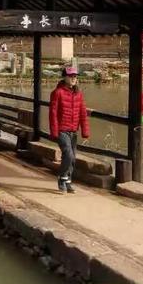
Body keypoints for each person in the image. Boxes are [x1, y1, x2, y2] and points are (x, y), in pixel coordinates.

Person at [49, 66, 90, 194]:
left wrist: (85, 131)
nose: (73, 78)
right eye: (71, 76)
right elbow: (53, 114)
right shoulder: (57, 93)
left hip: (73, 130)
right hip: (62, 130)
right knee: (68, 154)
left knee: (72, 158)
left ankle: (68, 181)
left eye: (75, 76)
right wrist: (54, 131)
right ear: (65, 77)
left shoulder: (79, 94)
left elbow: (83, 113)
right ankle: (62, 178)